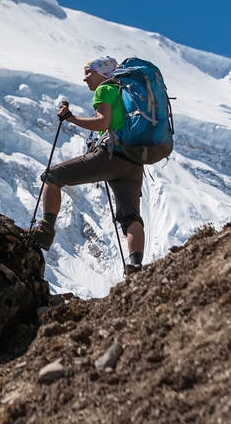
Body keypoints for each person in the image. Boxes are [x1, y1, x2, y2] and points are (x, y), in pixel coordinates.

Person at [29, 56, 146, 273]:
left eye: (88, 72)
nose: (84, 78)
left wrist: (71, 118)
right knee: (131, 217)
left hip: (111, 155)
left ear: (103, 73)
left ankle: (44, 232)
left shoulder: (105, 89)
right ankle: (136, 267)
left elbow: (103, 122)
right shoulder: (128, 92)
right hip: (135, 161)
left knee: (52, 177)